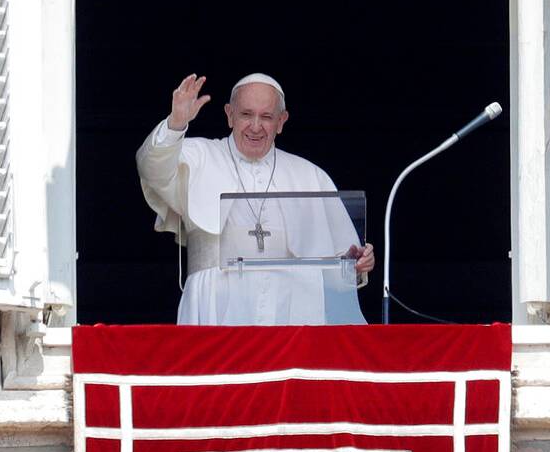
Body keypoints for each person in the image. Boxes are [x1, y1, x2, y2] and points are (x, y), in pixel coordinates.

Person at [136, 73, 375, 325]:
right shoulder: (197, 155)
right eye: (246, 114)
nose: (256, 126)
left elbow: (339, 271)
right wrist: (175, 124)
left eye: (267, 117)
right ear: (229, 115)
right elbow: (151, 168)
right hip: (215, 306)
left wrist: (354, 266)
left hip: (292, 310)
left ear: (281, 121)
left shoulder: (310, 175)